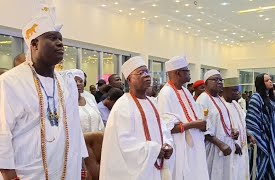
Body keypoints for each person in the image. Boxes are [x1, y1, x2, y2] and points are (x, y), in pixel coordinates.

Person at [0, 2, 87, 179]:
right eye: (52, 38)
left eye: (61, 39)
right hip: (28, 171)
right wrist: (9, 174)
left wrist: (81, 163)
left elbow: (74, 126)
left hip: (66, 168)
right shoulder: (10, 81)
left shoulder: (67, 82)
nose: (60, 44)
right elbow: (2, 132)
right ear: (34, 44)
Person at [99, 56, 173, 180]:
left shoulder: (152, 102)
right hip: (135, 170)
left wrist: (167, 144)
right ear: (129, 79)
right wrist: (153, 150)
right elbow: (125, 144)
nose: (147, 75)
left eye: (147, 72)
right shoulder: (122, 105)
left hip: (155, 163)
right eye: (140, 73)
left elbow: (162, 129)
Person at [157, 56, 209, 180]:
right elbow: (166, 127)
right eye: (187, 71)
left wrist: (201, 124)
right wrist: (195, 125)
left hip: (195, 146)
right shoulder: (166, 93)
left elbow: (196, 115)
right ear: (178, 73)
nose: (190, 73)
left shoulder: (185, 91)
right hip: (179, 148)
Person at [196, 71, 239, 180]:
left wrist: (233, 131)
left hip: (227, 145)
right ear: (206, 83)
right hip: (213, 147)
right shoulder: (203, 99)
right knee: (214, 175)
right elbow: (202, 127)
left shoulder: (220, 99)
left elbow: (223, 122)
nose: (219, 82)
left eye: (221, 80)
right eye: (215, 80)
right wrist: (221, 144)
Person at [246, 73, 275, 179]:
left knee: (273, 169)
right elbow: (252, 122)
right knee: (260, 169)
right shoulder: (256, 98)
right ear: (260, 83)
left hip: (274, 140)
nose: (270, 81)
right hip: (263, 141)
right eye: (267, 80)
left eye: (270, 79)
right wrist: (261, 139)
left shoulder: (271, 98)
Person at [222, 77, 251, 180]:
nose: (237, 93)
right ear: (224, 90)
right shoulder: (221, 105)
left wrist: (248, 135)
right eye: (234, 90)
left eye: (237, 89)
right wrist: (233, 143)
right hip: (232, 148)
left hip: (242, 146)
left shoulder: (236, 104)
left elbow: (243, 123)